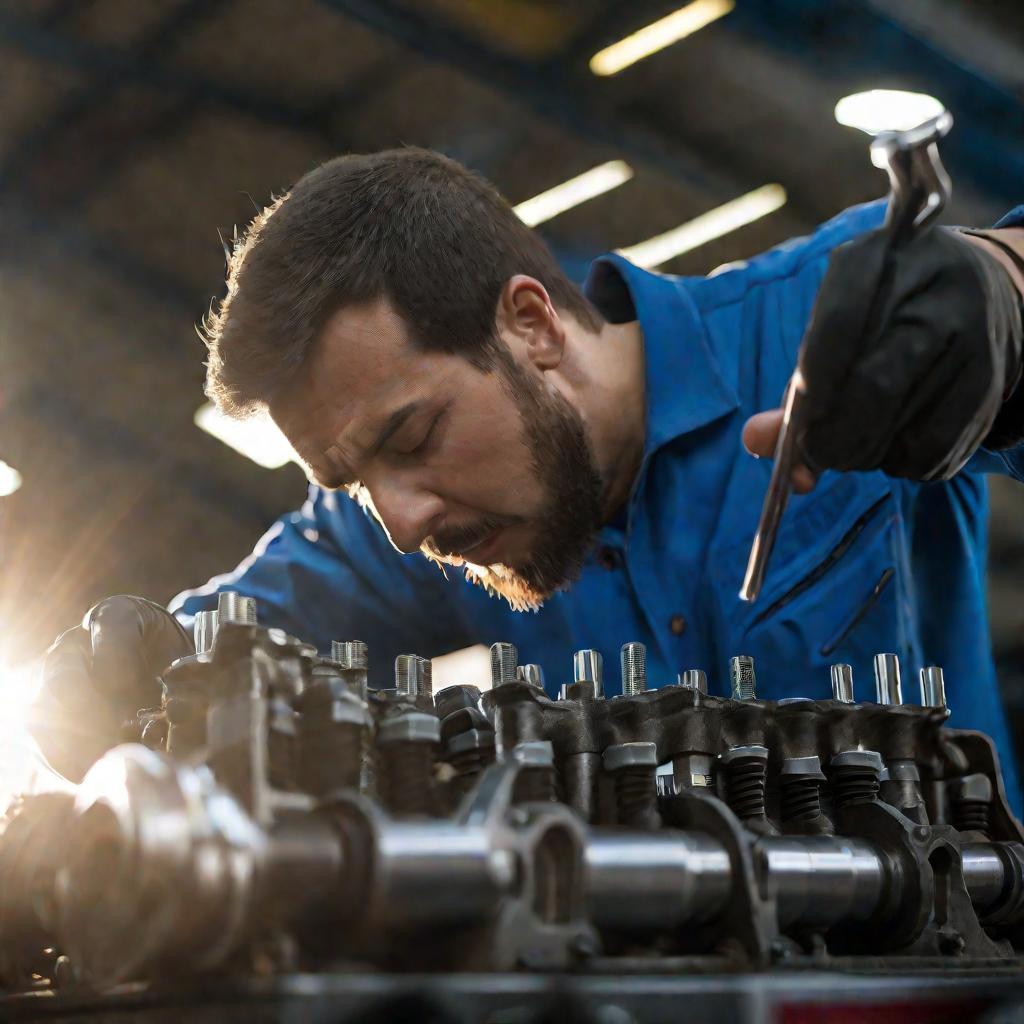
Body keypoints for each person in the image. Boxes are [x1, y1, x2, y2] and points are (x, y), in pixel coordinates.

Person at [33, 148, 1024, 809]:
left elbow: (994, 278)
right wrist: (111, 669)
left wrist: (1000, 293)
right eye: (352, 478)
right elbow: (206, 637)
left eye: (410, 433)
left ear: (531, 325)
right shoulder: (426, 524)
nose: (403, 521)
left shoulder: (819, 327)